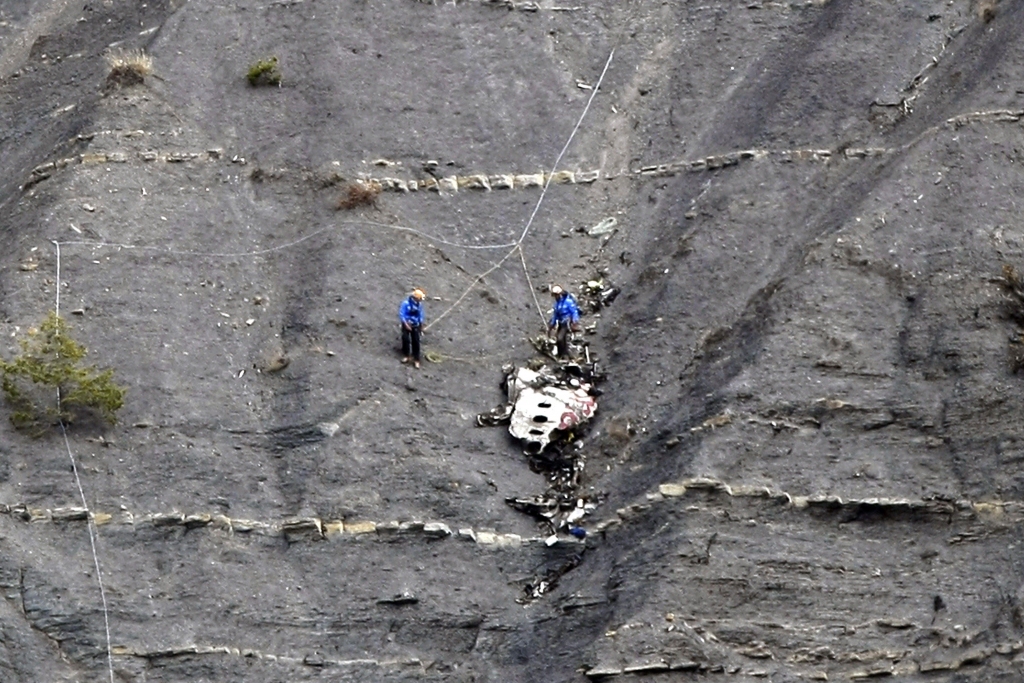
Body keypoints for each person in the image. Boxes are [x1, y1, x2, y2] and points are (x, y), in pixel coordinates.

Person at [547, 284, 580, 358]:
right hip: (561, 323)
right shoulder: (556, 305)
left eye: (556, 295)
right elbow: (555, 316)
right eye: (554, 295)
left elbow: (574, 311)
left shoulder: (568, 302)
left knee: (560, 338)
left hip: (567, 323)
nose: (555, 297)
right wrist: (551, 325)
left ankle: (564, 355)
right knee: (559, 340)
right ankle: (560, 355)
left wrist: (575, 321)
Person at [399, 288, 426, 368]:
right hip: (406, 324)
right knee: (406, 339)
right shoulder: (406, 303)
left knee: (416, 341)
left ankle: (416, 359)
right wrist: (406, 324)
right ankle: (406, 355)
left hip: (415, 325)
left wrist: (420, 325)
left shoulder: (419, 305)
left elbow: (420, 315)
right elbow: (402, 314)